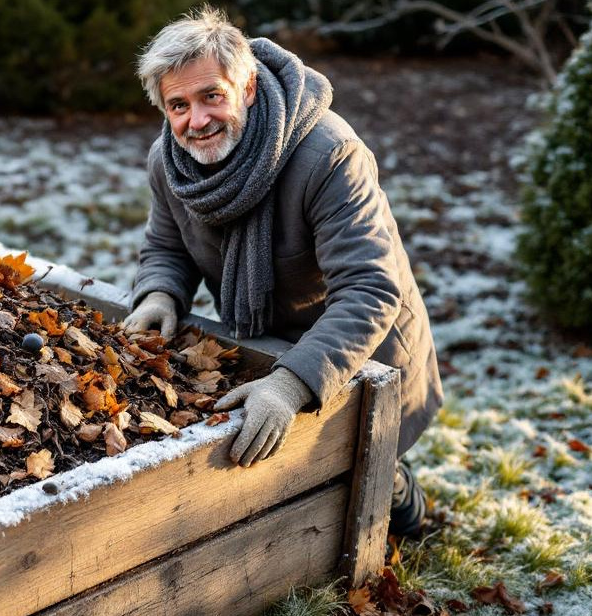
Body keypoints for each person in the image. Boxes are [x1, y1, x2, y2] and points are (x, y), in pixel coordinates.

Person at [121, 7, 442, 538]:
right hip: (265, 337)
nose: (195, 120)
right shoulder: (169, 161)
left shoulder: (329, 155)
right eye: (178, 105)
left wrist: (293, 382)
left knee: (368, 471)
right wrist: (159, 293)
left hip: (361, 346)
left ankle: (402, 491)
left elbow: (369, 289)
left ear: (246, 88)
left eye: (211, 97)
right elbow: (167, 244)